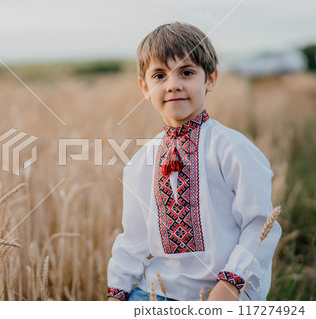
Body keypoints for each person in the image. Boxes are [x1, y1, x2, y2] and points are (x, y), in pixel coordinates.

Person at [107, 22, 281, 301]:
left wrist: (231, 283)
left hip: (225, 290)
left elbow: (259, 224)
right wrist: (117, 292)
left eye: (186, 73)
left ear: (210, 79)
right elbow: (133, 239)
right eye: (160, 76)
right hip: (155, 292)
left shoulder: (232, 148)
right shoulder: (141, 161)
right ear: (144, 87)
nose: (173, 85)